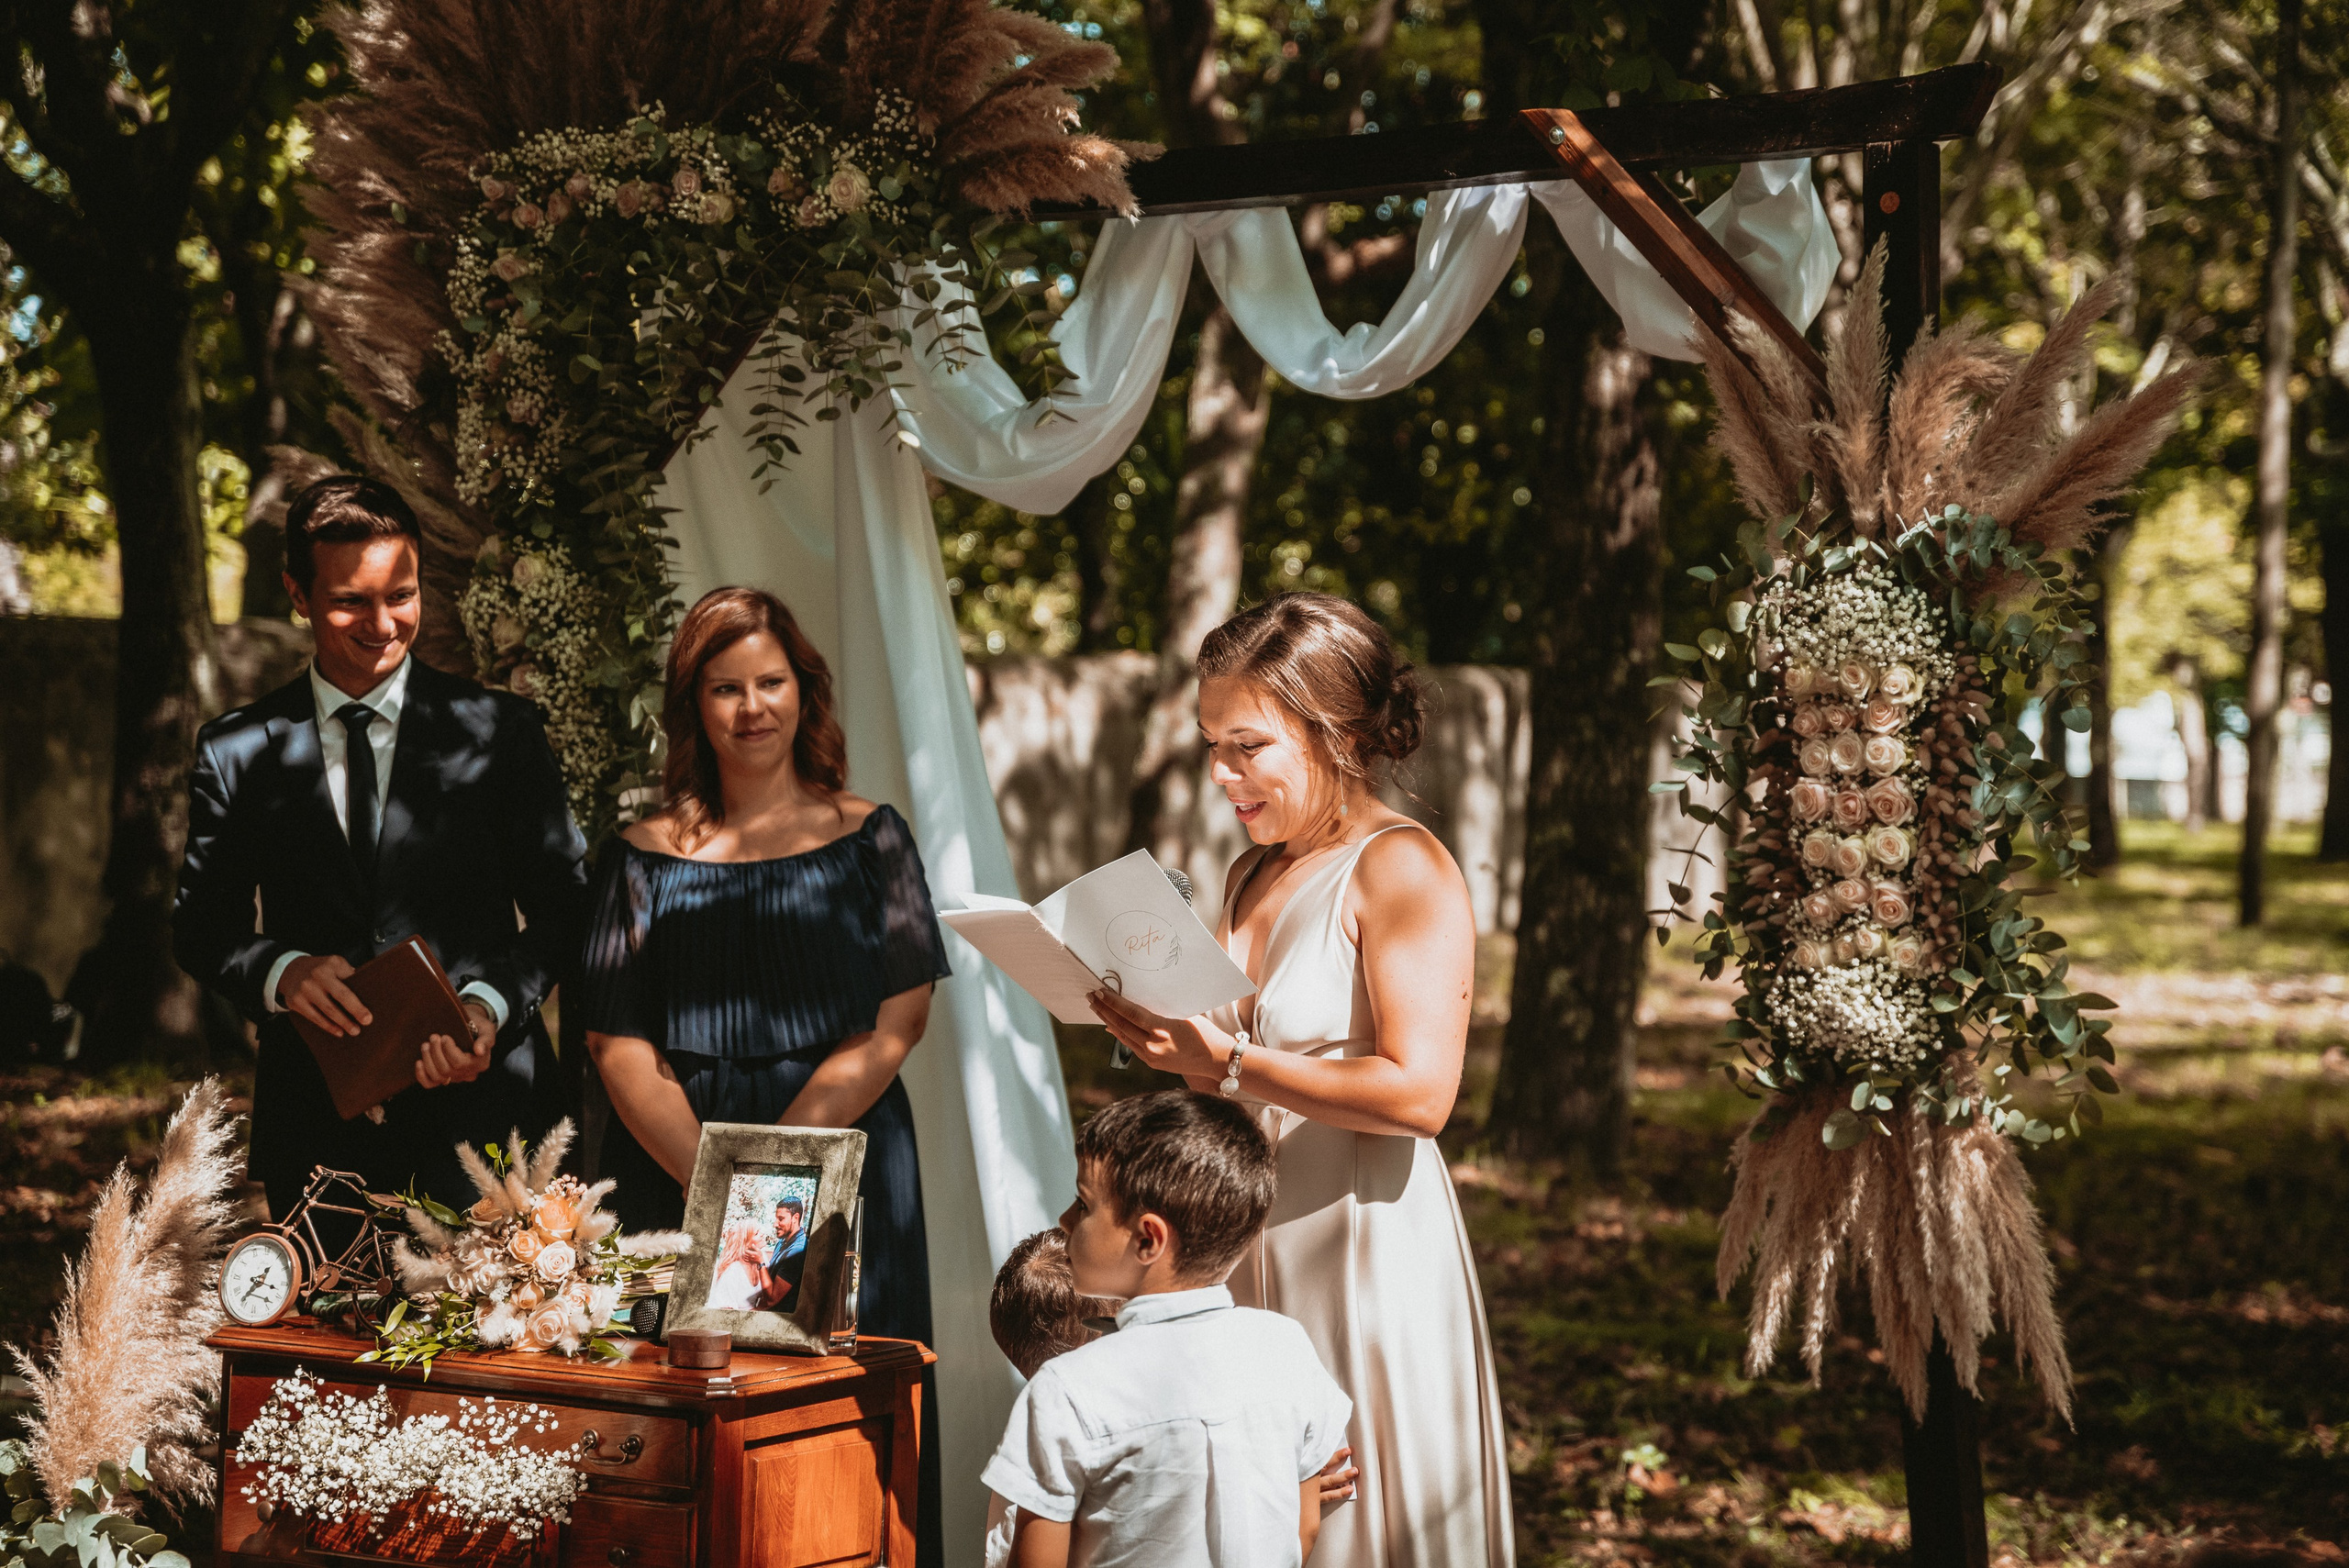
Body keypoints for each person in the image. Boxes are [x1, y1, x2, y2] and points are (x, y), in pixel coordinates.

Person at [1087, 593, 1515, 1568]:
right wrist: (1167, 1048)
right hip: (1246, 1240)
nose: (1222, 773)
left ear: (1335, 734)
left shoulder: (1401, 867)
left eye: (1247, 746)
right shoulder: (1247, 873)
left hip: (1360, 1242)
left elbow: (1421, 1093)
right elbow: (1225, 1074)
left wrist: (1226, 1059)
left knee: (1357, 1516)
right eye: (1211, 745)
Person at [576, 584, 951, 1561]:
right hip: (670, 1169)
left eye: (771, 681)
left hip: (841, 1161)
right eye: (725, 687)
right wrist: (720, 1185)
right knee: (673, 1428)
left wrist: (778, 1175)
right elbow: (617, 1045)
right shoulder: (633, 858)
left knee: (840, 1418)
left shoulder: (874, 836)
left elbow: (896, 1022)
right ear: (692, 705)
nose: (753, 707)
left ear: (805, 690)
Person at [174, 476, 587, 1218]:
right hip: (319, 1132)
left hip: (489, 1122)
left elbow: (567, 908)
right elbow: (201, 923)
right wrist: (281, 971)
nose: (383, 623)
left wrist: (490, 1007)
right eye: (349, 601)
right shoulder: (235, 751)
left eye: (401, 594)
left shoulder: (502, 733)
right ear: (297, 593)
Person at [984, 1091, 1355, 1568]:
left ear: (1147, 1239)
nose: (1065, 1219)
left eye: (1083, 1203)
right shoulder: (1286, 1346)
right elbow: (1301, 1532)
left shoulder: (1065, 1389)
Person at [758, 1196, 808, 1308]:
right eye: (776, 1219)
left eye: (781, 1219)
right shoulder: (782, 1241)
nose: (775, 1224)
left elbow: (772, 1300)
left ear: (795, 1218)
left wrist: (760, 1262)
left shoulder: (798, 1250)